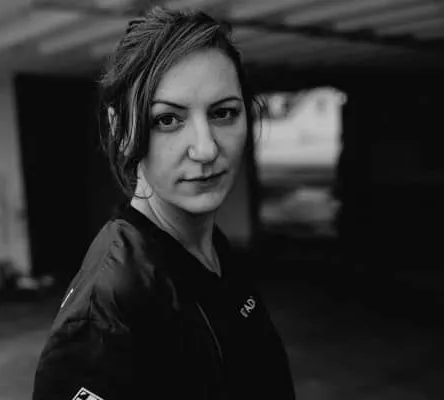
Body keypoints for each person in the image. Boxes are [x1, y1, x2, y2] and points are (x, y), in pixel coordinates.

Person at [33, 7, 295, 400]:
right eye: (167, 120)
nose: (206, 149)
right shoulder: (109, 309)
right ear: (121, 130)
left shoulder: (211, 249)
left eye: (223, 113)